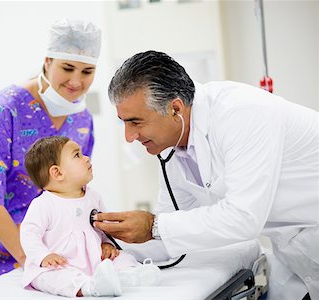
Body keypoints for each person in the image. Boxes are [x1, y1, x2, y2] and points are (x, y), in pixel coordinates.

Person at [94, 50, 319, 300]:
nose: (129, 136)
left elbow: (243, 218)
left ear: (175, 108)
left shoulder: (242, 113)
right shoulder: (175, 150)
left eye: (136, 122)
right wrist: (106, 247)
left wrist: (152, 225)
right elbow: (168, 233)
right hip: (295, 254)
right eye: (123, 122)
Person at [0, 19, 102, 298]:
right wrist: (29, 258)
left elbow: (76, 191)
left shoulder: (82, 120)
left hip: (45, 242)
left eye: (87, 71)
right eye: (67, 68)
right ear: (48, 61)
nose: (76, 81)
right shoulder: (5, 109)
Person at [21, 136, 160, 298]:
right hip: (61, 264)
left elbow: (103, 228)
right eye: (77, 155)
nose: (86, 158)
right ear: (57, 173)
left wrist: (106, 244)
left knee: (123, 257)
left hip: (94, 260)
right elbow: (29, 234)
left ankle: (129, 276)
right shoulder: (44, 204)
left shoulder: (93, 197)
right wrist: (43, 256)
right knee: (45, 277)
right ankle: (88, 287)